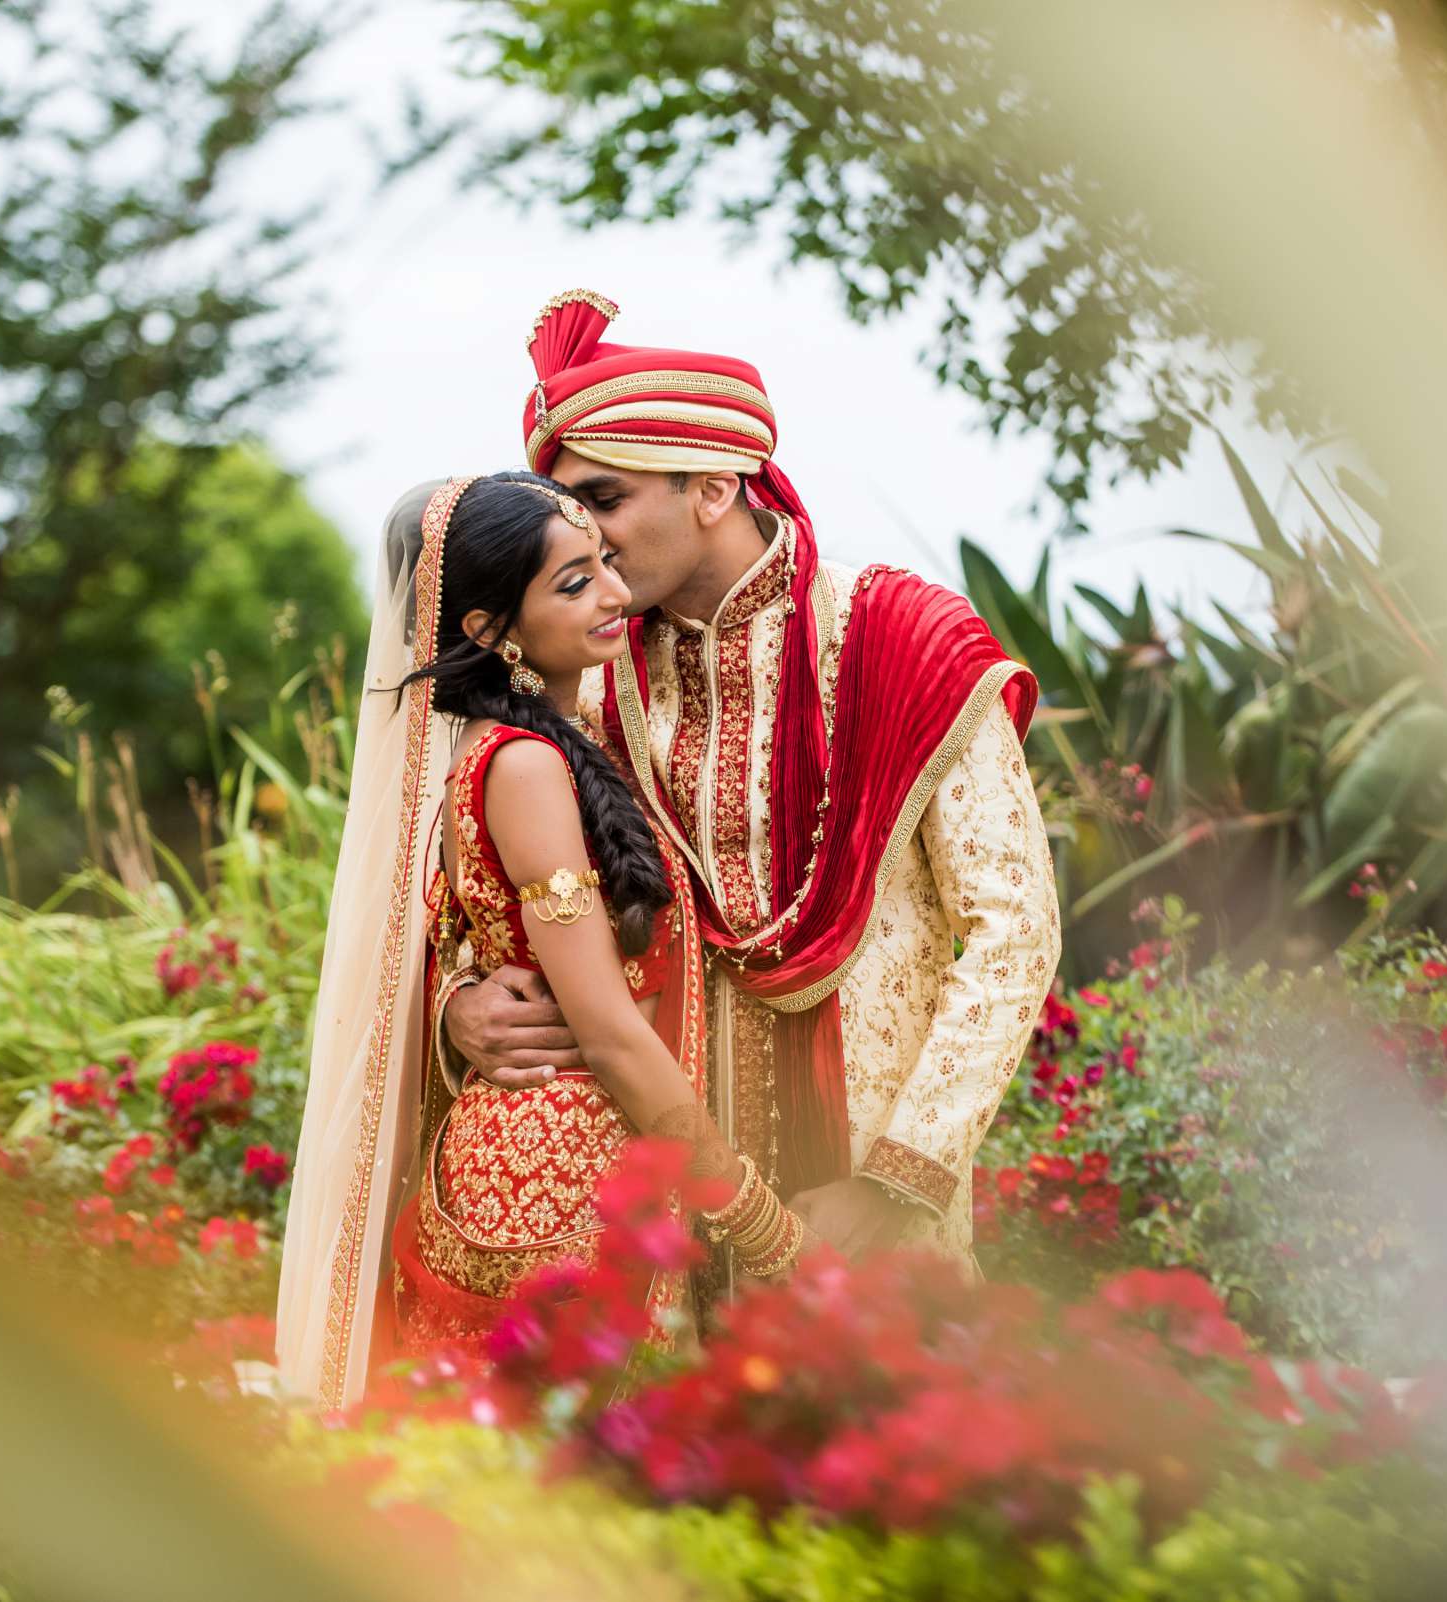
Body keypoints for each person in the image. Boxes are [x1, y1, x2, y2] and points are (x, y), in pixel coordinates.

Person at [437, 290, 1061, 1272]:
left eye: (603, 500)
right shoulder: (579, 677)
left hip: (865, 1179)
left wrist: (902, 1177)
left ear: (716, 488)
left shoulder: (904, 642)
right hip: (648, 1199)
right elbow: (472, 909)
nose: (584, 542)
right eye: (568, 512)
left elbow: (1012, 927)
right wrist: (459, 1009)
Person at [275, 471, 802, 1410]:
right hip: (554, 1187)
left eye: (604, 563)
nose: (611, 593)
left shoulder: (523, 746)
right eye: (572, 583)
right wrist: (755, 1219)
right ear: (487, 630)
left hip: (524, 1167)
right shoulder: (524, 767)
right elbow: (604, 1029)